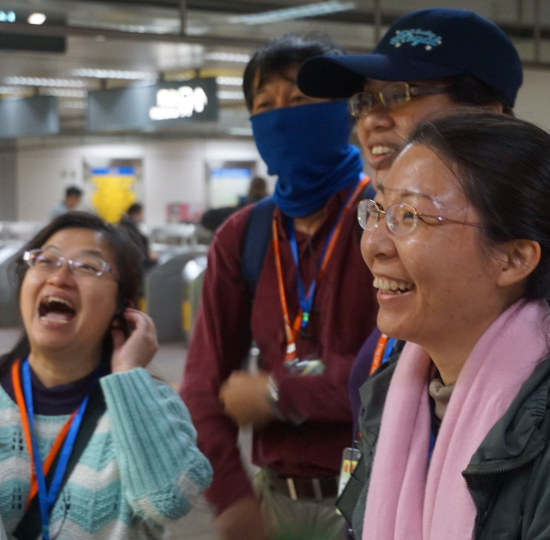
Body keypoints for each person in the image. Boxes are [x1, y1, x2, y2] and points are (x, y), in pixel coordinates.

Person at [295, 7, 550, 441]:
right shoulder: (427, 260)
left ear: (487, 114)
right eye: (364, 101)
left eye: (400, 94)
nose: (372, 119)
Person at [352, 111, 550, 539]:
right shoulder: (393, 399)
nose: (375, 244)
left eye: (410, 216)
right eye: (379, 210)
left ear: (513, 259)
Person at [179, 33, 377, 540]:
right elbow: (203, 387)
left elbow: (393, 377)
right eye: (265, 105)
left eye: (300, 99)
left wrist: (277, 392)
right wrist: (230, 494)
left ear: (345, 111)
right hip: (272, 501)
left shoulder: (387, 221)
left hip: (377, 501)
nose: (281, 116)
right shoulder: (243, 236)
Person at [0, 212, 212, 539]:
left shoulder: (152, 403)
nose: (60, 277)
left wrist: (127, 375)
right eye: (46, 261)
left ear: (122, 307)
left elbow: (169, 501)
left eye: (88, 267)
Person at [201, 176, 270, 233]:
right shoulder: (270, 210)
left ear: (250, 189)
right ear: (265, 189)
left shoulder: (243, 210)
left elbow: (208, 217)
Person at [119, 202, 157, 270]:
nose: (143, 216)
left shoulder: (128, 226)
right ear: (137, 213)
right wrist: (148, 256)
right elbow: (136, 251)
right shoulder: (129, 228)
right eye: (142, 213)